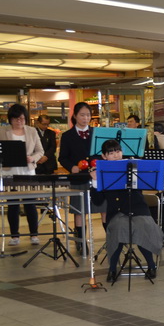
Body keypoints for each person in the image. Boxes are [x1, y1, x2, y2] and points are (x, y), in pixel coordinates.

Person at [90, 139, 162, 282]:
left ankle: (151, 265)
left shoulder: (132, 166)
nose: (116, 155)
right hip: (117, 213)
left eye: (118, 151)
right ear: (104, 156)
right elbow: (97, 201)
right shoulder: (102, 172)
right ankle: (112, 269)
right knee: (119, 228)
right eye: (111, 153)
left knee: (142, 226)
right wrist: (95, 181)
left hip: (138, 209)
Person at [58, 102, 105, 251]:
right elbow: (62, 157)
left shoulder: (97, 133)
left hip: (96, 175)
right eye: (82, 115)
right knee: (79, 209)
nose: (85, 118)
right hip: (79, 177)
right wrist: (72, 167)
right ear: (75, 116)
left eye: (88, 115)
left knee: (104, 207)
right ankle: (81, 241)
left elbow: (103, 154)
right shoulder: (67, 136)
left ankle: (109, 238)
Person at [0, 104, 44, 246]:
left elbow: (40, 151)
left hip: (27, 171)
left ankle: (34, 234)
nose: (19, 121)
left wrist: (32, 158)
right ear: (10, 119)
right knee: (13, 204)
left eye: (22, 119)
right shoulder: (2, 131)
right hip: (9, 171)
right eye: (16, 119)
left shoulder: (32, 131)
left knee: (30, 203)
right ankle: (14, 236)